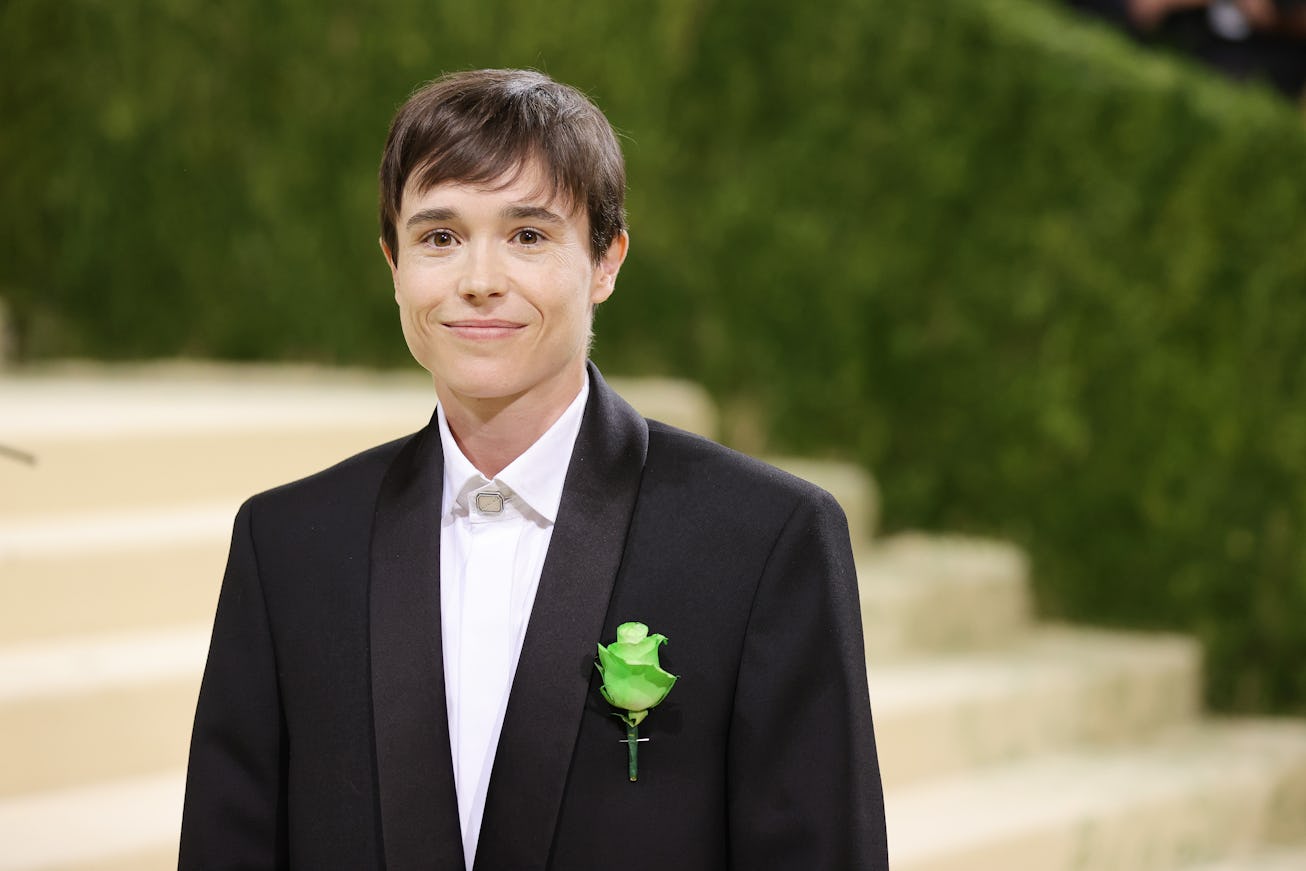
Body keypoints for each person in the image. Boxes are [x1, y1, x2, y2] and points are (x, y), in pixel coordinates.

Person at [179, 68, 888, 870]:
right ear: (393, 264)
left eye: (528, 235)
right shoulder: (288, 545)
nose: (480, 281)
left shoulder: (767, 539)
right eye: (439, 237)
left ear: (606, 260)